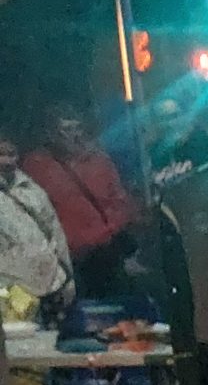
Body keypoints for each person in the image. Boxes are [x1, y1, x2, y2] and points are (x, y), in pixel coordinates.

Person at [23, 102, 144, 296]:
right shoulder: (36, 167)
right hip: (67, 262)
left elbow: (120, 201)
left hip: (108, 254)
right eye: (67, 130)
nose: (75, 135)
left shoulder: (99, 161)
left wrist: (110, 231)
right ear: (50, 133)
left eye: (77, 128)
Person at [0, 122, 74, 316]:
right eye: (0, 154)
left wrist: (68, 278)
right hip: (8, 291)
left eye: (11, 154)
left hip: (49, 285)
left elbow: (55, 233)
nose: (6, 161)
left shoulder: (32, 190)